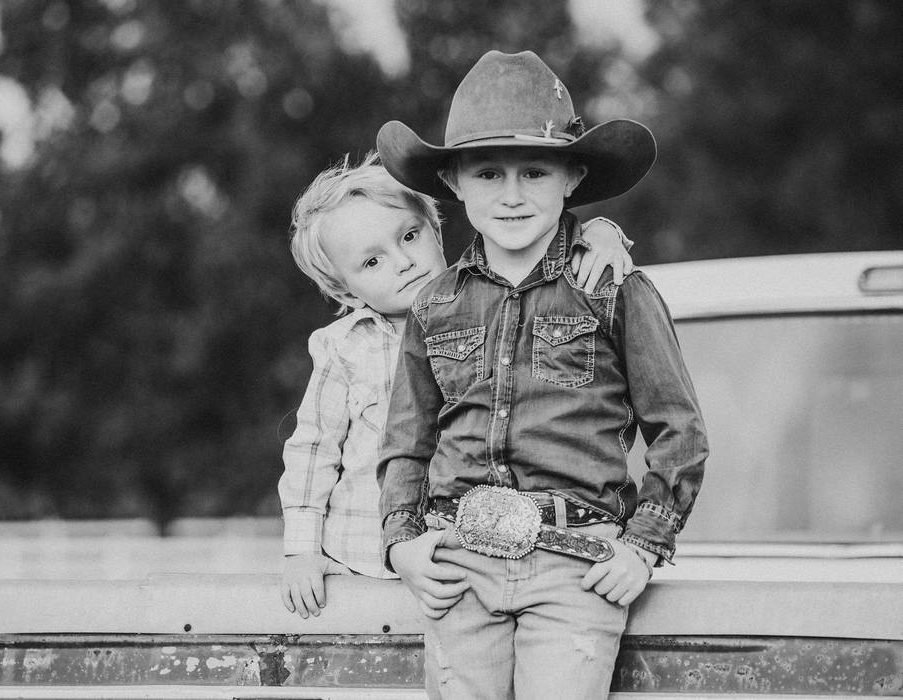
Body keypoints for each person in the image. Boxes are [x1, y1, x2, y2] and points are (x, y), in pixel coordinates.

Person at [375, 50, 709, 698]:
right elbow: (406, 440)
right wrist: (402, 543)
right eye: (488, 173)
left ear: (572, 177)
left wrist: (644, 545)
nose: (511, 193)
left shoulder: (614, 287)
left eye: (534, 171)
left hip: (575, 563)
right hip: (458, 559)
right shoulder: (435, 304)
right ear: (454, 183)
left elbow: (679, 428)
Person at [278, 151, 638, 619]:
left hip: (468, 562)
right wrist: (301, 550)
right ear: (346, 291)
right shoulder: (346, 347)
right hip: (364, 563)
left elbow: (532, 237)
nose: (404, 262)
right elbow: (313, 449)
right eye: (371, 262)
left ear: (437, 229)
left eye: (410, 235)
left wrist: (601, 232)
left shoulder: (486, 302)